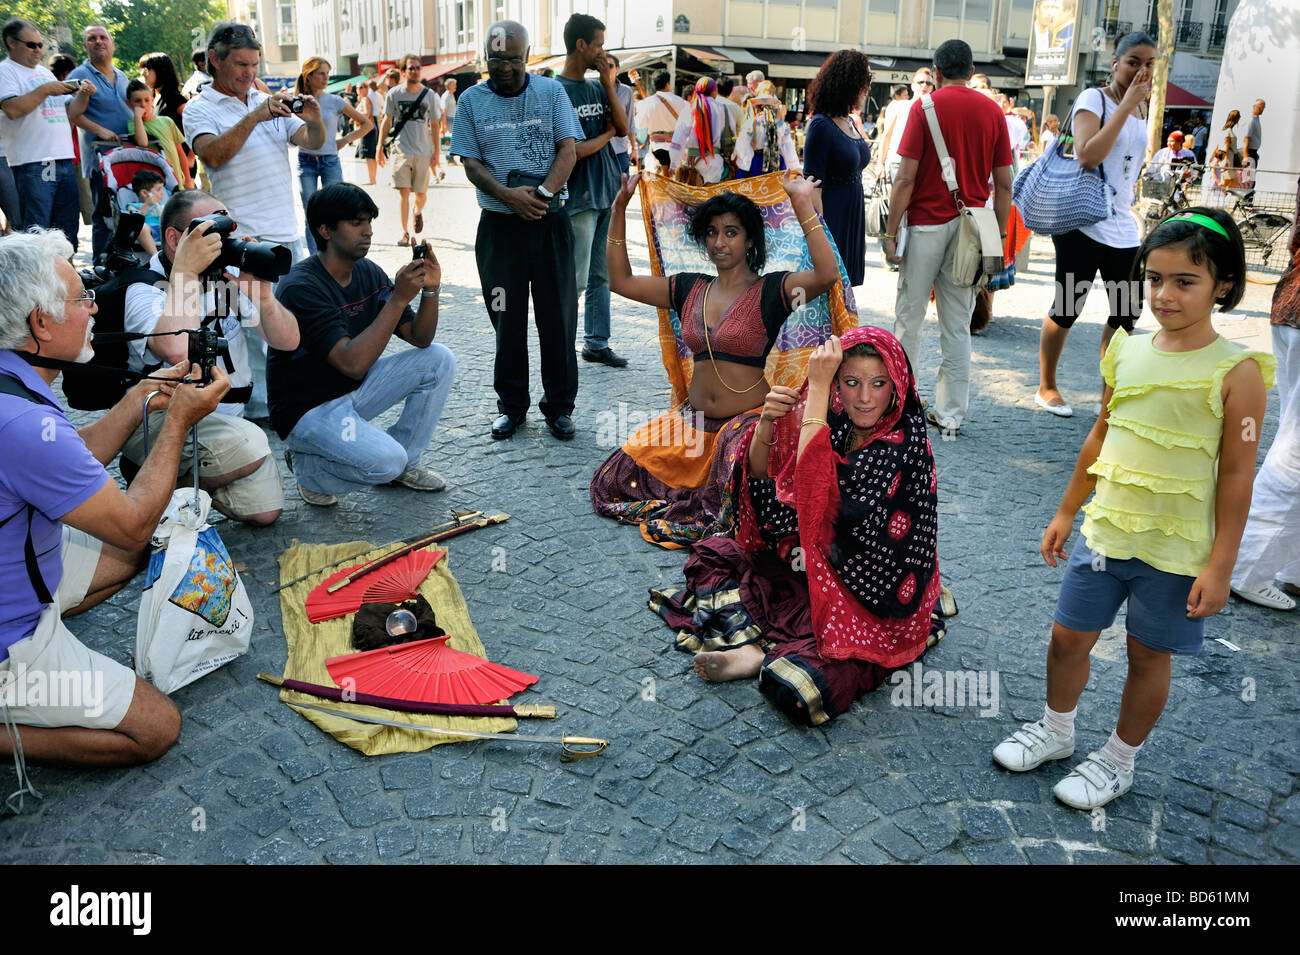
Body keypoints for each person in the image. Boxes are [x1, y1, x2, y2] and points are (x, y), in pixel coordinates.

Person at [992, 208, 1272, 810]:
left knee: (1148, 655)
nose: (1164, 295)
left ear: (1223, 284)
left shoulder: (1239, 372)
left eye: (1185, 281)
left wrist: (1222, 565)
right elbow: (1099, 434)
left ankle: (1118, 759)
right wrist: (1069, 510)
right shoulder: (1126, 349)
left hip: (1175, 550)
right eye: (1155, 278)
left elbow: (1238, 475)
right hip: (1107, 531)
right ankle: (1057, 729)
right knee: (1067, 638)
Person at [0, 228, 229, 774]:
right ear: (40, 322)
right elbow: (129, 524)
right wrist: (176, 422)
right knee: (155, 728)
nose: (95, 304)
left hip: (22, 572)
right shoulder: (25, 423)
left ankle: (48, 622)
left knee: (132, 561)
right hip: (9, 635)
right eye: (82, 296)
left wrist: (139, 398)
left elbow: (65, 462)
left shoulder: (15, 384)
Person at [651, 326, 955, 723]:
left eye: (878, 384)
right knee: (718, 555)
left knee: (802, 686)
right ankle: (767, 647)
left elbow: (813, 491)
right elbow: (765, 477)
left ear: (897, 387)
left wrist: (816, 388)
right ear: (839, 388)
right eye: (851, 382)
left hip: (874, 599)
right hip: (822, 566)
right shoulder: (841, 420)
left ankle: (759, 654)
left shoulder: (899, 442)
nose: (864, 397)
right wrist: (767, 425)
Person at [591, 171, 841, 546]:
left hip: (746, 427)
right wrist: (618, 209)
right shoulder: (689, 287)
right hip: (691, 425)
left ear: (750, 238)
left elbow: (827, 273)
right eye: (711, 233)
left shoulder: (773, 290)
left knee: (734, 492)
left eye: (731, 232)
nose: (719, 242)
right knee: (614, 478)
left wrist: (802, 204)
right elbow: (621, 282)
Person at [120, 189, 298, 524]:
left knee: (265, 512)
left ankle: (169, 485)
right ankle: (150, 480)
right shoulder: (143, 287)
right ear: (174, 239)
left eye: (226, 231)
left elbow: (287, 341)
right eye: (210, 232)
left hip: (227, 424)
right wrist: (186, 274)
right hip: (166, 423)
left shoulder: (225, 278)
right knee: (253, 442)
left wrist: (264, 299)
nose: (223, 242)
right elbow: (175, 349)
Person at [269, 183, 455, 504]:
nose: (368, 231)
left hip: (352, 391)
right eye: (356, 223)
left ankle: (407, 462)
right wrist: (398, 298)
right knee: (386, 462)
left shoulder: (367, 272)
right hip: (308, 409)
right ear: (325, 230)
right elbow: (351, 362)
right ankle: (309, 470)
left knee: (439, 359)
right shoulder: (300, 286)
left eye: (369, 221)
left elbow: (419, 338)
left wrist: (430, 291)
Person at [449, 20, 583, 442]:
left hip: (550, 223)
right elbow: (470, 163)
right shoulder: (471, 100)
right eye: (495, 59)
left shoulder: (551, 92)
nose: (503, 67)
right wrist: (510, 197)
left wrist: (540, 194)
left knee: (558, 317)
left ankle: (559, 408)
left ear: (527, 56)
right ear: (484, 57)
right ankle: (511, 406)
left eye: (512, 59)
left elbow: (569, 149)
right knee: (506, 318)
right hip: (500, 231)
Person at [882, 39, 1012, 434]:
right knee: (957, 324)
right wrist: (999, 236)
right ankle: (950, 413)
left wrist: (891, 231)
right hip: (971, 230)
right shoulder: (993, 111)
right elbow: (1004, 184)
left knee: (909, 318)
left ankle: (901, 406)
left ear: (936, 72)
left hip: (925, 225)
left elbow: (905, 177)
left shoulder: (924, 107)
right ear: (971, 72)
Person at [1033, 33, 1154, 419]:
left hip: (1121, 222)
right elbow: (1088, 155)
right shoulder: (1094, 99)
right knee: (1068, 305)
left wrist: (1135, 106)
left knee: (1126, 310)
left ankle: (1109, 395)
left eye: (1150, 63)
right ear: (1115, 62)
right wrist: (1128, 106)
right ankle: (1046, 386)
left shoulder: (1143, 107)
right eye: (1134, 61)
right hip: (1083, 221)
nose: (1142, 70)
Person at [185, 22, 325, 267]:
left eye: (254, 65)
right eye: (241, 64)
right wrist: (255, 116)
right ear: (215, 59)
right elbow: (212, 156)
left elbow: (311, 142)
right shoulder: (198, 108)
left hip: (288, 235)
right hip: (242, 238)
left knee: (290, 306)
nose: (249, 73)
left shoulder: (265, 100)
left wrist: (315, 122)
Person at [1231, 177, 1300, 610]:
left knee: (1294, 435)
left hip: (1293, 301)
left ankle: (1286, 566)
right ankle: (1247, 566)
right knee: (1296, 447)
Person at [558, 14, 630, 370]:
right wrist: (604, 136)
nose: (603, 50)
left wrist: (608, 82)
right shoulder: (556, 91)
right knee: (577, 278)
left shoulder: (597, 86)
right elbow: (572, 151)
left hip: (605, 193)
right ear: (581, 45)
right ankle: (561, 343)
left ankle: (597, 342)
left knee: (602, 276)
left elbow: (624, 127)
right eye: (598, 43)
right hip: (578, 197)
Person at [0, 18, 96, 249]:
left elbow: (71, 112)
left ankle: (69, 281)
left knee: (66, 233)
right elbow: (12, 109)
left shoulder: (44, 72)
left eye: (41, 45)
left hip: (63, 159)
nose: (38, 50)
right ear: (11, 42)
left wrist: (83, 95)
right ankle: (37, 283)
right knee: (36, 233)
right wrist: (44, 91)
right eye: (31, 45)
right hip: (32, 162)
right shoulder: (5, 71)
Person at [802, 50, 873, 286]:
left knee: (846, 290)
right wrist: (821, 237)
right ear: (850, 84)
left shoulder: (849, 120)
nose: (868, 89)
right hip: (832, 216)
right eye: (865, 82)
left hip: (851, 214)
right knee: (830, 289)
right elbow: (813, 187)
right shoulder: (821, 125)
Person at [67, 24, 135, 259]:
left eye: (103, 37)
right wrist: (100, 130)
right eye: (92, 38)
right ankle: (101, 267)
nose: (98, 42)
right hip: (100, 158)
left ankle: (124, 263)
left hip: (127, 155)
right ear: (85, 45)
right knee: (104, 215)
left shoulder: (122, 75)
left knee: (127, 210)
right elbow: (72, 114)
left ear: (112, 44)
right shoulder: (78, 76)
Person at [295, 56, 373, 253]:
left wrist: (344, 140)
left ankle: (334, 253)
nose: (326, 78)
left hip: (330, 160)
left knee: (336, 210)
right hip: (305, 161)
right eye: (321, 73)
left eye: (327, 73)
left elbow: (367, 124)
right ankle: (315, 258)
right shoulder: (298, 101)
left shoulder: (334, 101)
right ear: (309, 75)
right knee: (310, 213)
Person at [378, 54, 439, 247]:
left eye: (417, 68)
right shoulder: (394, 94)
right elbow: (386, 121)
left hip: (423, 151)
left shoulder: (430, 96)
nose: (414, 71)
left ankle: (417, 212)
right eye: (411, 68)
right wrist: (379, 147)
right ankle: (404, 232)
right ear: (404, 71)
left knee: (421, 195)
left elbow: (436, 124)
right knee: (403, 193)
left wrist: (436, 151)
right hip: (401, 150)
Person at [126, 79, 192, 188]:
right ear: (128, 104)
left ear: (152, 101)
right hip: (158, 187)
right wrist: (137, 117)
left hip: (178, 181)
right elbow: (142, 142)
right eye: (137, 101)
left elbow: (180, 152)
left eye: (147, 100)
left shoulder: (167, 121)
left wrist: (188, 180)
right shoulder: (133, 125)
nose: (143, 105)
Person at [874, 71, 933, 182]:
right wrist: (880, 164)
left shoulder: (934, 110)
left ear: (932, 87)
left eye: (928, 83)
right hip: (897, 162)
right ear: (912, 85)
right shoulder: (898, 105)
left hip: (924, 165)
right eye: (921, 82)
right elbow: (886, 135)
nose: (924, 85)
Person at [733, 81, 800, 178]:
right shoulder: (781, 125)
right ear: (772, 107)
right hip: (777, 162)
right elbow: (788, 148)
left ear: (757, 107)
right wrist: (794, 168)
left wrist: (744, 164)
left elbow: (742, 146)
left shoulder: (751, 123)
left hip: (757, 162)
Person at [669, 76, 726, 185]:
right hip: (716, 162)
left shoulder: (690, 109)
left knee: (694, 199)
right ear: (714, 91)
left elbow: (679, 137)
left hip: (693, 163)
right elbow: (730, 134)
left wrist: (674, 163)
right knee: (712, 198)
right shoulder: (723, 109)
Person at [636, 70, 689, 173]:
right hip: (678, 150)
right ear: (667, 84)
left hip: (656, 149)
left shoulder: (647, 103)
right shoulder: (682, 103)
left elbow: (639, 125)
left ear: (654, 85)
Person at [137, 52, 187, 132]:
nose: (142, 73)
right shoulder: (153, 97)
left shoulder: (174, 98)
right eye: (141, 69)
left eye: (146, 69)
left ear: (160, 71)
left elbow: (194, 121)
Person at [124, 168, 166, 254]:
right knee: (141, 227)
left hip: (163, 230)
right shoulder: (133, 206)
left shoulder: (162, 206)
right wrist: (147, 205)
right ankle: (156, 257)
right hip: (147, 233)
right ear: (145, 193)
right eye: (159, 189)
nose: (163, 193)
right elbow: (135, 220)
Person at [607, 57, 636, 178]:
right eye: (603, 65)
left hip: (620, 150)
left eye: (610, 66)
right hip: (599, 152)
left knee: (622, 191)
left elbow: (630, 122)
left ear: (617, 69)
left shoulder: (626, 91)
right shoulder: (594, 89)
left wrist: (634, 149)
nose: (607, 69)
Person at [357, 79, 381, 184]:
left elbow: (367, 113)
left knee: (369, 154)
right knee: (370, 154)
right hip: (370, 127)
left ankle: (372, 179)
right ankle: (372, 178)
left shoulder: (366, 99)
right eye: (357, 88)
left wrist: (356, 117)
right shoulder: (363, 99)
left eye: (361, 87)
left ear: (366, 88)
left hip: (368, 128)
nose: (359, 89)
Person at [1220, 109, 1242, 188]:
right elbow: (1226, 145)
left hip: (1231, 158)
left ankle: (1224, 196)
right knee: (1228, 180)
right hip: (1229, 158)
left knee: (1232, 181)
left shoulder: (1229, 130)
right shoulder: (1228, 131)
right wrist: (1226, 160)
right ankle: (1222, 196)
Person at [440, 77, 458, 165]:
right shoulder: (446, 96)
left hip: (453, 119)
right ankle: (448, 159)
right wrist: (443, 124)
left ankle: (451, 158)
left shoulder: (451, 95)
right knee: (447, 140)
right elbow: (444, 111)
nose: (455, 86)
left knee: (452, 140)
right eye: (454, 85)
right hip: (448, 119)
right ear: (450, 86)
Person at [1242, 98, 1265, 165]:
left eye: (1263, 107)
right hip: (1249, 154)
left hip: (1253, 153)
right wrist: (1246, 158)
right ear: (1254, 106)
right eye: (1260, 107)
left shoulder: (1256, 119)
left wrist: (1255, 154)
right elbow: (1246, 139)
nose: (1262, 109)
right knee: (1248, 175)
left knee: (1251, 175)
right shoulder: (1251, 120)